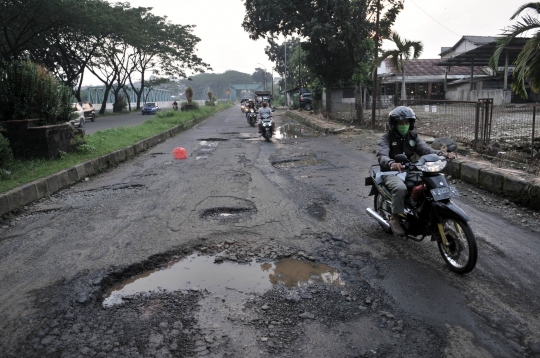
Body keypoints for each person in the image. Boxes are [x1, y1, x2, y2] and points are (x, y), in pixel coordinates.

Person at [376, 106, 455, 236]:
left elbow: (426, 151)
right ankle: (395, 218)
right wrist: (391, 163)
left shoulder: (413, 137)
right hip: (390, 172)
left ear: (411, 124)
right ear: (394, 124)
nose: (404, 125)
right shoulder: (386, 138)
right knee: (400, 188)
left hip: (409, 169)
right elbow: (382, 155)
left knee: (428, 184)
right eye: (401, 123)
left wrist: (443, 154)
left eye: (407, 122)